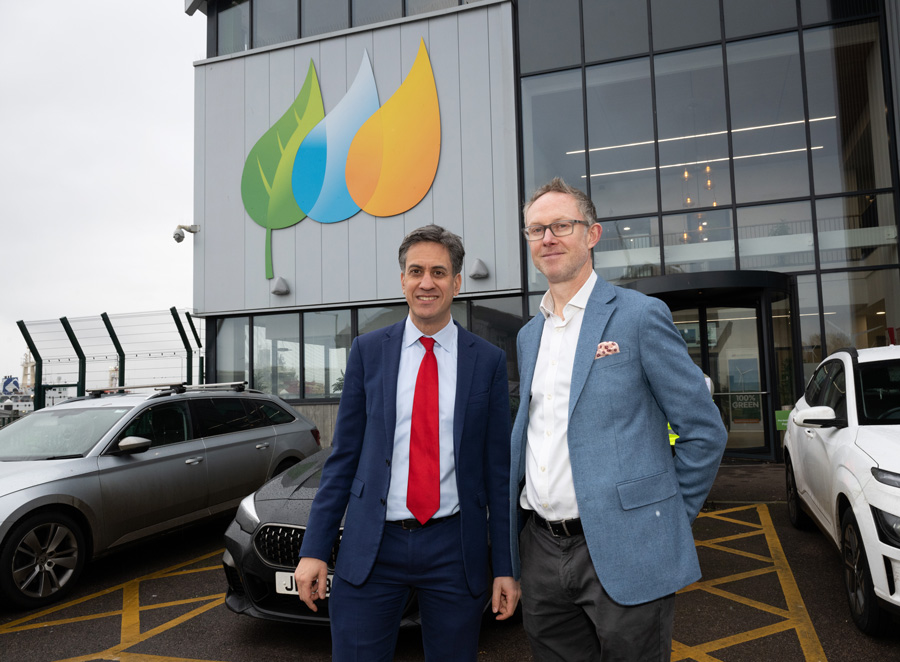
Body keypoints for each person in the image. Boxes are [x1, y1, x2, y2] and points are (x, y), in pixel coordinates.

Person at [509, 178, 728, 661]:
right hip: (542, 550)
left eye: (561, 225)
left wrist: (665, 518)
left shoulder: (639, 316)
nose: (548, 238)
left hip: (627, 546)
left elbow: (703, 431)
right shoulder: (529, 335)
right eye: (535, 229)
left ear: (592, 234)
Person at [295, 224, 520, 662]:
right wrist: (314, 549)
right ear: (402, 280)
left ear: (456, 282)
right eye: (416, 271)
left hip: (454, 548)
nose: (426, 282)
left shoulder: (487, 360)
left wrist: (506, 568)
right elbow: (343, 458)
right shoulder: (368, 351)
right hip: (373, 545)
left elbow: (499, 472)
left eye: (439, 272)